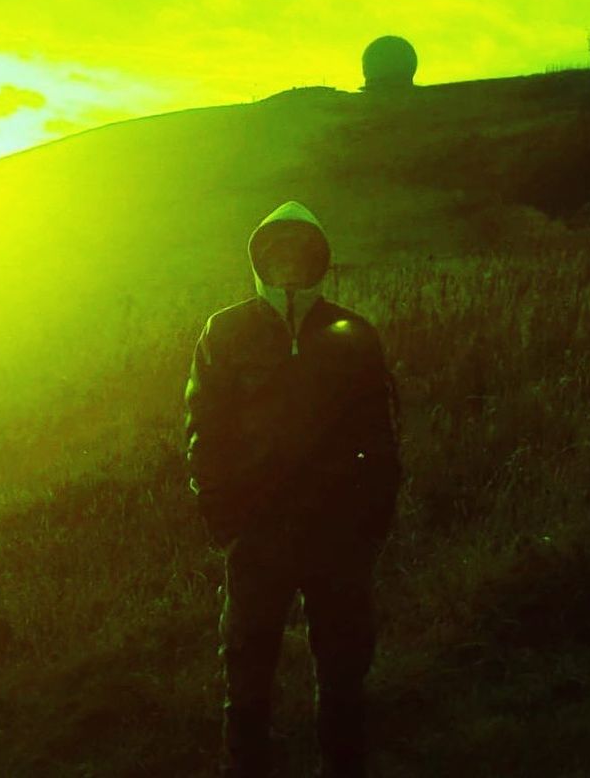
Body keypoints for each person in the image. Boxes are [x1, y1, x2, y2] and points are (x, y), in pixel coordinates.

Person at [183, 200, 401, 778]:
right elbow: (206, 430)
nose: (287, 264)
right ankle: (245, 765)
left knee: (344, 666)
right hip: (257, 535)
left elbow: (378, 438)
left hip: (339, 534)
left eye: (299, 252)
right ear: (258, 258)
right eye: (274, 252)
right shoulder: (225, 331)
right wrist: (225, 522)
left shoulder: (353, 333)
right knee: (248, 665)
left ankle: (343, 764)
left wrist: (370, 523)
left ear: (319, 259)